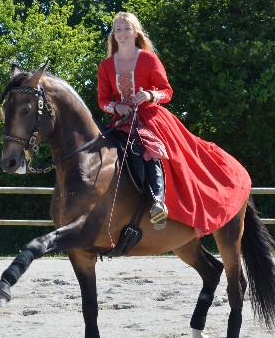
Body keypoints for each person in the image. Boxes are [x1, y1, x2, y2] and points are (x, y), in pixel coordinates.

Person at [97, 12, 252, 235]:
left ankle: (157, 202)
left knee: (151, 149)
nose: (121, 33)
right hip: (121, 121)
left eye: (126, 28)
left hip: (150, 118)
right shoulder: (106, 66)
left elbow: (167, 92)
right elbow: (103, 100)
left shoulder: (149, 60)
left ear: (135, 32)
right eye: (117, 29)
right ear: (113, 35)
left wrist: (149, 95)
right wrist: (116, 107)